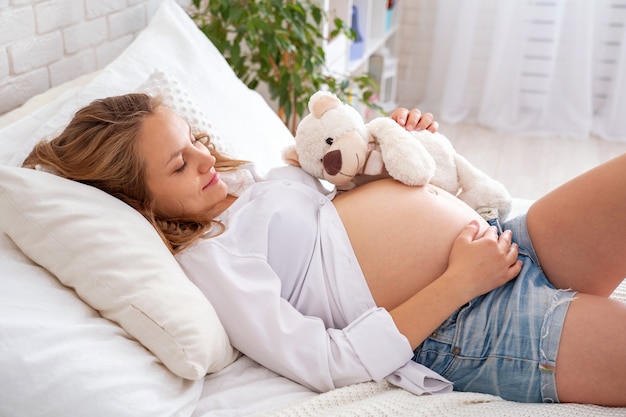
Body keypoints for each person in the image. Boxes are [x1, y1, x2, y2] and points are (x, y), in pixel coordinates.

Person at [22, 93, 626, 406]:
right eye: (180, 164)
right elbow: (324, 361)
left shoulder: (244, 183)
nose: (206, 159)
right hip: (475, 322)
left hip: (502, 240)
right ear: (140, 203)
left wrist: (394, 151)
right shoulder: (206, 260)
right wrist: (461, 282)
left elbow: (340, 212)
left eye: (194, 141)